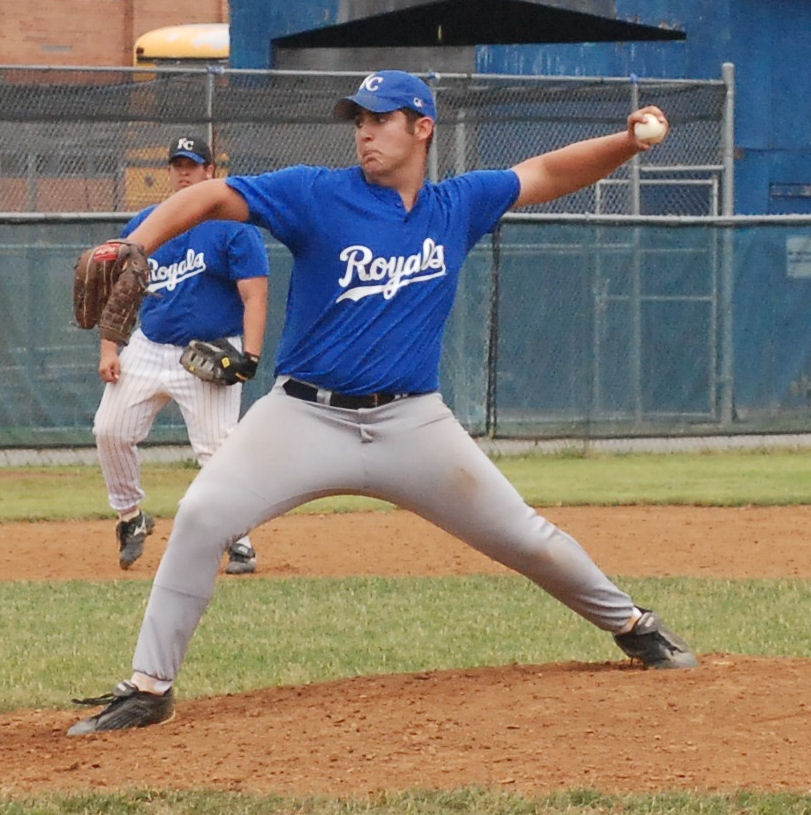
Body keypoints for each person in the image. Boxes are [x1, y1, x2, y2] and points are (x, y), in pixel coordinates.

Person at [68, 70, 698, 735]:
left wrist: (626, 143)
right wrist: (140, 242)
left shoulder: (457, 204)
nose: (364, 132)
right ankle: (150, 686)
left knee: (524, 535)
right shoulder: (317, 193)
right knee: (201, 515)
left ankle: (633, 624)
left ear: (422, 128)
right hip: (303, 415)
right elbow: (212, 195)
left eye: (379, 118)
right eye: (359, 120)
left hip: (411, 423)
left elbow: (545, 173)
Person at [92, 135, 269, 575]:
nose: (184, 172)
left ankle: (240, 540)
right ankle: (131, 517)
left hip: (207, 353)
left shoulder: (234, 226)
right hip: (150, 347)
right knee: (110, 430)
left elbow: (255, 295)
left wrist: (249, 356)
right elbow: (122, 292)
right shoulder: (148, 223)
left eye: (192, 164)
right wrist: (110, 347)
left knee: (217, 450)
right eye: (177, 165)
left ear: (211, 171)